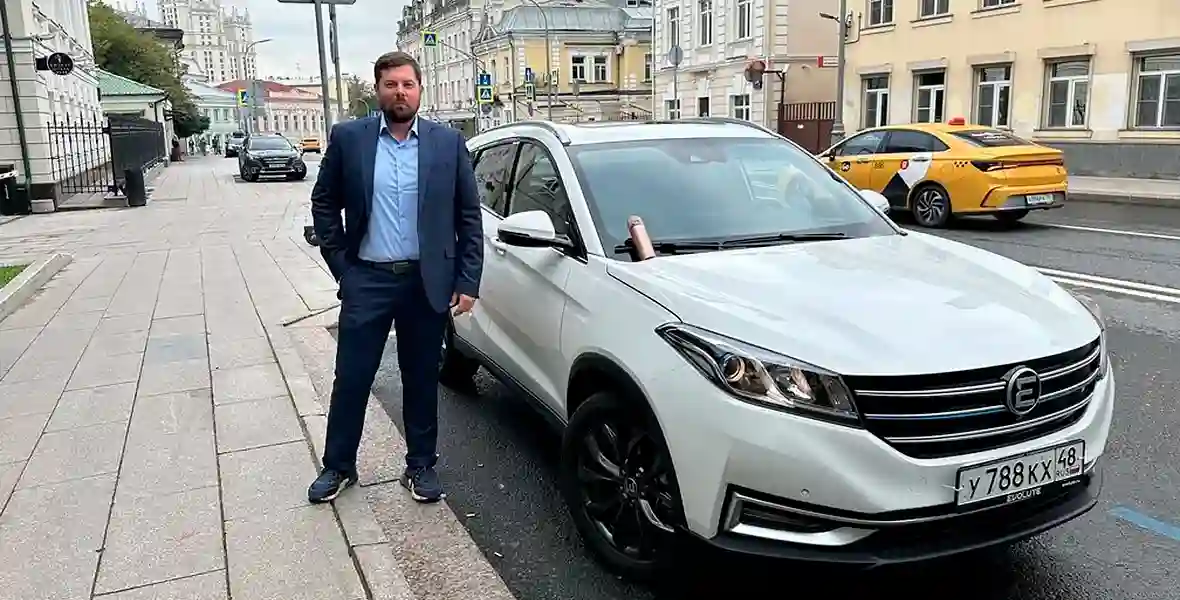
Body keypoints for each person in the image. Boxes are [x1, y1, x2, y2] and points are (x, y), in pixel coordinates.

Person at [307, 51, 483, 504]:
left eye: (407, 84)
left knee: (421, 378)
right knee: (352, 377)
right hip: (367, 279)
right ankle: (338, 466)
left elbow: (468, 216)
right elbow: (324, 202)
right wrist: (342, 265)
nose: (400, 92)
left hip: (426, 282)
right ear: (378, 90)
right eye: (391, 85)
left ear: (420, 89)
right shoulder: (350, 139)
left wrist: (467, 280)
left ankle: (420, 466)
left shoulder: (448, 143)